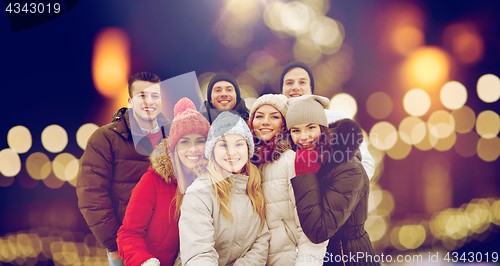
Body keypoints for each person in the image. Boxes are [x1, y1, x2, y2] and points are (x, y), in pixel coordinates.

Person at [76, 72, 171, 266]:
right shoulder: (105, 138)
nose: (149, 101)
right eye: (142, 95)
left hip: (170, 244)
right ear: (130, 101)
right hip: (126, 247)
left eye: (155, 96)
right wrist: (113, 245)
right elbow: (91, 195)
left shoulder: (173, 137)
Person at [286, 95, 379, 266]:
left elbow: (318, 230)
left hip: (346, 257)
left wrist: (305, 175)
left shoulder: (348, 167)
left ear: (322, 128)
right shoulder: (311, 159)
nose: (304, 137)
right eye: (295, 130)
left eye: (310, 127)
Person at [117, 98, 210, 266]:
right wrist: (144, 260)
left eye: (200, 141)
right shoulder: (153, 181)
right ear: (174, 146)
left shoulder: (211, 183)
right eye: (185, 142)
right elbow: (129, 234)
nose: (193, 149)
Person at [179, 111, 270, 265]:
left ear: (248, 149)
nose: (232, 152)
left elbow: (261, 243)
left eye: (239, 144)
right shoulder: (199, 192)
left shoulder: (254, 188)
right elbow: (198, 254)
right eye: (223, 144)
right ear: (212, 151)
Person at [248, 94, 328, 265]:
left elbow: (311, 230)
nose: (265, 121)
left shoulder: (293, 161)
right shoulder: (246, 165)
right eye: (259, 116)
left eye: (274, 116)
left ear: (285, 124)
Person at [279, 61, 376, 179]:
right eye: (289, 83)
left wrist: (342, 192)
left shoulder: (337, 119)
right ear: (282, 90)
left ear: (310, 89)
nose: (295, 87)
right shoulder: (276, 125)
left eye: (302, 82)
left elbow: (366, 163)